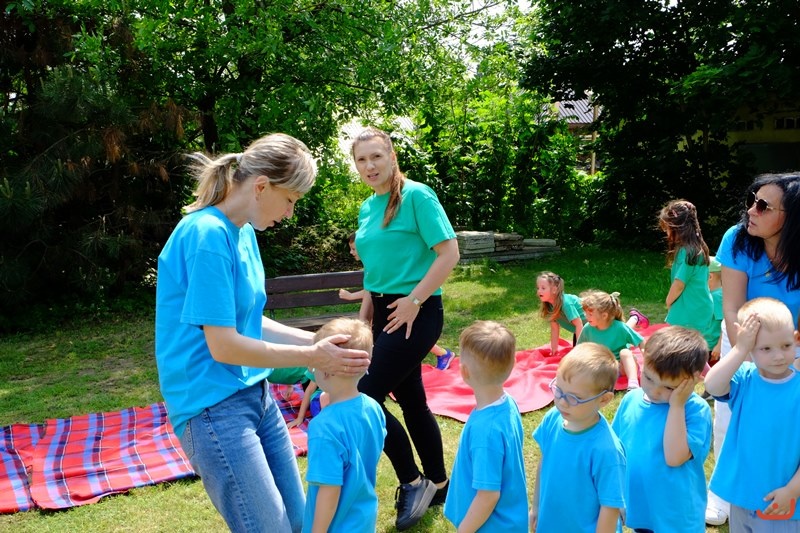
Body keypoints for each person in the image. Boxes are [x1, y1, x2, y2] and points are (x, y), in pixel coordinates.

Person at [154, 133, 371, 533]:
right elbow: (224, 346)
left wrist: (319, 343)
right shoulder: (206, 236)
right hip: (210, 407)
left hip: (255, 394)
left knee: (299, 522)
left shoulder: (243, 232)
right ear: (261, 186)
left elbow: (249, 322)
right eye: (290, 200)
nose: (290, 213)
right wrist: (312, 356)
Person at [350, 127, 460, 530]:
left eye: (376, 156)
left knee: (362, 395)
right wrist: (364, 315)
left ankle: (412, 481)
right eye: (361, 160)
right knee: (412, 400)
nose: (369, 166)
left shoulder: (417, 196)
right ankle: (439, 484)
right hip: (383, 311)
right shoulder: (368, 207)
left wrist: (414, 300)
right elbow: (373, 270)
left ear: (392, 156)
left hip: (417, 309)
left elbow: (449, 253)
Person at [706, 172, 800, 526]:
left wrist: (788, 356)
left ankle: (787, 488)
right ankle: (723, 495)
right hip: (743, 334)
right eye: (751, 200)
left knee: (788, 418)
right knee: (730, 416)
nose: (751, 210)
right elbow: (732, 307)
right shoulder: (737, 238)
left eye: (763, 206)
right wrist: (747, 358)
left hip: (791, 339)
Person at [705, 297, 800, 529]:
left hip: (782, 503)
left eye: (786, 346)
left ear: (796, 339)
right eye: (766, 348)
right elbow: (712, 385)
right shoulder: (744, 378)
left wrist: (792, 490)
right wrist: (740, 349)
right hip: (742, 497)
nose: (778, 356)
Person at [611, 326, 712, 532]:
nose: (654, 390)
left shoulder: (695, 410)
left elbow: (674, 457)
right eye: (648, 378)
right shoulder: (631, 400)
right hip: (641, 508)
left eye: (669, 387)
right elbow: (615, 452)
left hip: (677, 516)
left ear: (693, 380)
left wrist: (677, 405)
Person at [302, 318, 386, 533]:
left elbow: (329, 489)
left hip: (336, 526)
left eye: (314, 362)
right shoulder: (373, 408)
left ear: (326, 371)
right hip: (363, 519)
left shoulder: (323, 427)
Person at [531, 342, 626, 533]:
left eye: (574, 398)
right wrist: (536, 508)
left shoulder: (607, 450)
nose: (562, 402)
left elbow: (610, 507)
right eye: (559, 390)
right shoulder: (552, 418)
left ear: (604, 399)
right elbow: (544, 463)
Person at [443, 321, 528, 532]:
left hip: (490, 526)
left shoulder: (485, 432)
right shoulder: (508, 403)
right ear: (512, 364)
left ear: (464, 372)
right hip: (507, 520)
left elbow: (488, 495)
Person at [340, 232, 456, 370]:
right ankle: (442, 354)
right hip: (384, 307)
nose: (351, 252)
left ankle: (443, 354)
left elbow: (369, 290)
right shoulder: (372, 263)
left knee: (405, 340)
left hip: (403, 304)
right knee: (401, 348)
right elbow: (371, 290)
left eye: (354, 249)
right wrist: (363, 320)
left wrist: (351, 297)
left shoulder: (382, 260)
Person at [657, 199, 716, 346]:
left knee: (682, 347)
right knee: (690, 347)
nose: (666, 232)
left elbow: (679, 284)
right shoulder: (696, 248)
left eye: (668, 228)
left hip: (690, 309)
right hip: (697, 306)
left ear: (678, 227)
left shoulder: (687, 252)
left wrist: (668, 301)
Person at [578, 290, 644, 389]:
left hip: (622, 367)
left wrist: (646, 355)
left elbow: (641, 341)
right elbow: (579, 349)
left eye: (590, 314)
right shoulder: (587, 329)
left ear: (604, 315)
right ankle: (635, 318)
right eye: (585, 313)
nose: (586, 317)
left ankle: (633, 384)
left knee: (625, 352)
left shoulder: (620, 327)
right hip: (603, 369)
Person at [535, 271, 587, 355]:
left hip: (594, 327)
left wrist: (579, 349)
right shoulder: (550, 307)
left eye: (543, 288)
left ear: (554, 289)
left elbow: (579, 324)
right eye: (538, 288)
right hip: (582, 331)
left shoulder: (566, 304)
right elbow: (554, 329)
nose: (539, 291)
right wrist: (554, 351)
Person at [707, 256, 723, 364]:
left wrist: (719, 345)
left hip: (711, 346)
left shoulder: (716, 297)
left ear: (710, 276)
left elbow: (725, 322)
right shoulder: (711, 295)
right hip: (705, 343)